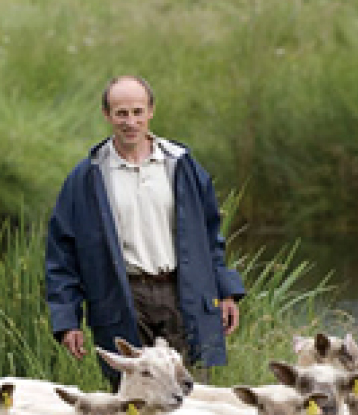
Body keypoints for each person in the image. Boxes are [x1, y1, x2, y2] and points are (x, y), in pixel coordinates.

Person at [44, 75, 244, 390]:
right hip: (121, 298)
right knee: (134, 400)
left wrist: (226, 291)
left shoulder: (181, 165)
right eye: (121, 113)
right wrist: (67, 320)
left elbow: (210, 237)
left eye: (137, 112)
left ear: (151, 111)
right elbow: (61, 255)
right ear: (106, 115)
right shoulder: (87, 177)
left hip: (183, 293)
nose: (130, 122)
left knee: (191, 397)